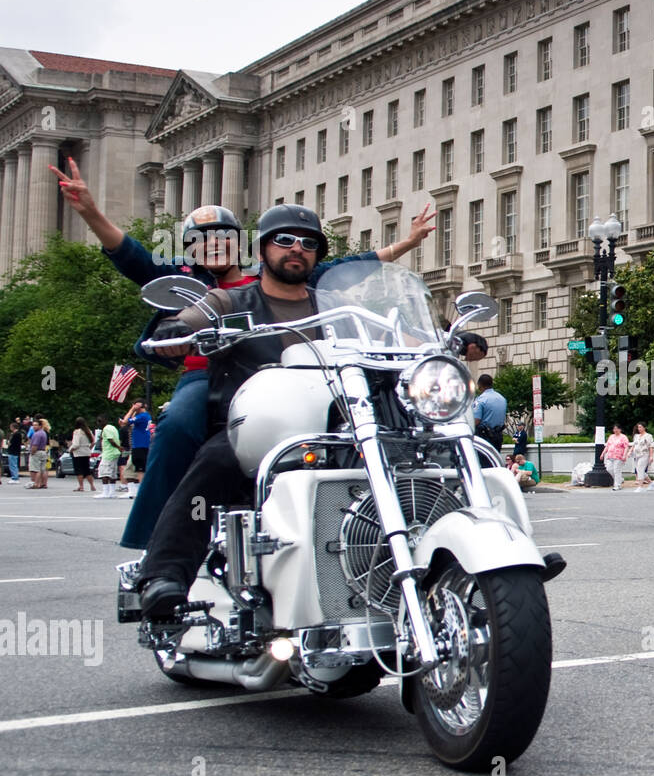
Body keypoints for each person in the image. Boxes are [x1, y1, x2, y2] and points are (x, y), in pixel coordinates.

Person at [52, 161, 430, 551]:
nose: (213, 243)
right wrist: (91, 212)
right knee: (178, 424)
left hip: (293, 376)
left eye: (222, 236)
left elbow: (345, 269)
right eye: (202, 239)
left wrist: (408, 246)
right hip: (212, 378)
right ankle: (155, 543)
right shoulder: (186, 285)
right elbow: (132, 256)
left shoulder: (273, 273)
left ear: (244, 244)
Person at [131, 205, 343, 620]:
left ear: (317, 254)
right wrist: (178, 329)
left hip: (328, 428)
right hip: (254, 428)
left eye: (308, 242)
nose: (296, 249)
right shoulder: (230, 298)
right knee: (216, 461)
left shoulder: (332, 306)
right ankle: (163, 575)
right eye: (283, 240)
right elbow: (196, 314)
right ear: (262, 250)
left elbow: (386, 330)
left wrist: (448, 338)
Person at [472, 374, 507, 452]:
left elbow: (476, 421)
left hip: (484, 437)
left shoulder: (481, 400)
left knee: (483, 462)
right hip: (498, 437)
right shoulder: (502, 398)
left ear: (480, 385)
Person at [120, 401, 152, 487]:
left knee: (140, 469)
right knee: (138, 469)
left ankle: (141, 490)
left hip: (140, 445)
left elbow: (125, 421)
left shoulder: (142, 416)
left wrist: (132, 409)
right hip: (142, 445)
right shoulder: (146, 416)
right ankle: (134, 490)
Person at [69, 418, 97, 492]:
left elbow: (76, 444)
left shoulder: (77, 432)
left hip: (78, 453)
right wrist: (89, 448)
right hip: (86, 452)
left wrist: (70, 449)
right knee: (87, 470)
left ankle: (81, 486)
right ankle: (92, 486)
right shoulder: (88, 431)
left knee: (79, 470)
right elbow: (93, 442)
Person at [601, 423, 630, 490]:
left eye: (617, 429)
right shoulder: (611, 436)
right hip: (610, 455)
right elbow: (607, 446)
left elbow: (626, 447)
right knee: (609, 469)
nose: (615, 430)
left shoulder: (623, 437)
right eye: (614, 429)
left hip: (619, 456)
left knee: (617, 470)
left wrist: (624, 455)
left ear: (620, 429)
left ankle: (617, 485)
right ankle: (620, 479)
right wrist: (603, 453)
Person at [630, 422, 654, 490]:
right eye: (638, 427)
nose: (639, 429)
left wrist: (651, 456)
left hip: (644, 454)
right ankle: (651, 483)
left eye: (640, 427)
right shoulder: (636, 436)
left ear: (644, 428)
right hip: (636, 455)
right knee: (639, 470)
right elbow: (634, 445)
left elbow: (651, 446)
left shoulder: (648, 436)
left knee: (640, 469)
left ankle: (640, 486)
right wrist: (630, 451)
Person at [27, 418, 49, 489]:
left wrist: (32, 452)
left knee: (36, 469)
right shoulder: (44, 433)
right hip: (43, 451)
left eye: (36, 425)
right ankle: (43, 483)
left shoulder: (37, 434)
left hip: (37, 452)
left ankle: (36, 483)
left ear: (40, 426)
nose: (34, 427)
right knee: (43, 469)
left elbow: (35, 445)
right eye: (33, 425)